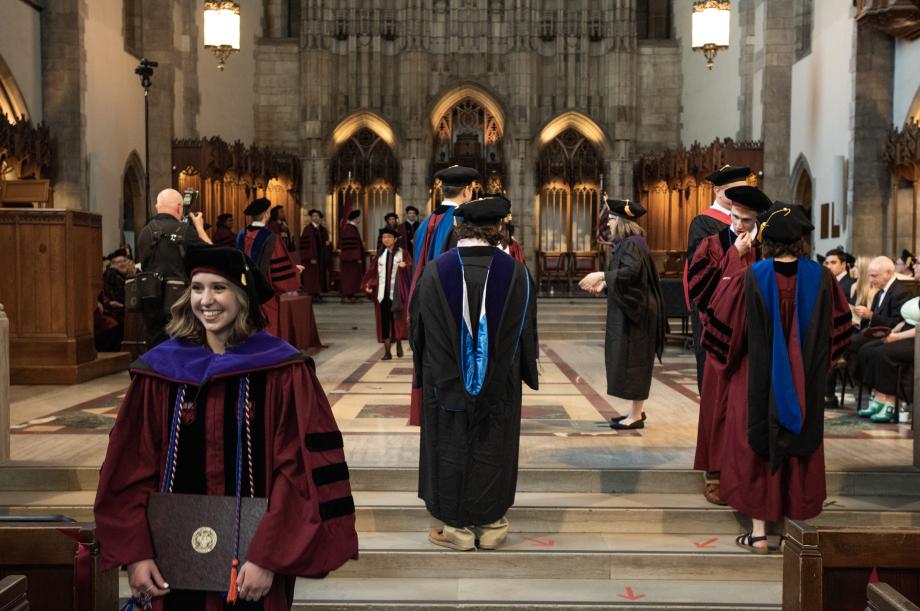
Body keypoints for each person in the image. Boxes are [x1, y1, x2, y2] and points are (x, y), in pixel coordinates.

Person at [93, 246, 358, 609]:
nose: (207, 300)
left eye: (220, 288)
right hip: (169, 563)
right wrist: (136, 554)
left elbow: (298, 471)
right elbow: (129, 469)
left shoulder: (283, 371)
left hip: (254, 567)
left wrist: (268, 556)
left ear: (243, 297)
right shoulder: (159, 372)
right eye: (198, 288)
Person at [702, 203, 851, 553]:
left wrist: (730, 363)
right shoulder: (823, 278)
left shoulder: (751, 276)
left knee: (757, 446)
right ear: (802, 240)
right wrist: (814, 365)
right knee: (799, 446)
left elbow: (723, 331)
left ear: (766, 240)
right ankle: (788, 534)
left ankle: (757, 534)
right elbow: (839, 331)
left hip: (755, 380)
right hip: (805, 383)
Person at [410, 195, 538, 551]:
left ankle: (455, 529)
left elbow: (417, 330)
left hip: (446, 385)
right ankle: (492, 524)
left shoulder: (436, 270)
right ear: (499, 229)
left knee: (449, 445)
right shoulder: (517, 273)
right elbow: (527, 330)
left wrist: (425, 373)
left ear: (457, 227)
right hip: (501, 387)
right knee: (493, 445)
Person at [686, 184, 772, 505]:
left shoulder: (766, 249)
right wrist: (734, 258)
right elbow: (700, 291)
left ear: (758, 222)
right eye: (735, 217)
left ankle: (748, 472)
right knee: (718, 408)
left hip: (756, 345)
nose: (738, 225)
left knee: (748, 410)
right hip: (719, 341)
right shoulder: (711, 244)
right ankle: (715, 473)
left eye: (746, 221)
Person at [578, 198, 666, 430]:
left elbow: (630, 272)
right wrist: (606, 284)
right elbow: (629, 276)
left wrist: (602, 276)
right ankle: (636, 411)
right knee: (632, 361)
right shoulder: (631, 243)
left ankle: (635, 416)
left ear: (622, 221)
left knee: (635, 362)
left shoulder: (632, 244)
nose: (609, 225)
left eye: (612, 220)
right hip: (637, 311)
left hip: (639, 315)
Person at [684, 165, 751, 393]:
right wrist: (736, 251)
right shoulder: (703, 223)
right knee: (713, 369)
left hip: (744, 307)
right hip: (712, 306)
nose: (741, 196)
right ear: (718, 191)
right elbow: (699, 271)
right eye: (735, 192)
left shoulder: (754, 222)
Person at [136, 188, 213, 346]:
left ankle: (155, 370)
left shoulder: (144, 232)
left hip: (150, 300)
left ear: (157, 207)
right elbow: (214, 254)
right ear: (179, 207)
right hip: (179, 303)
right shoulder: (184, 231)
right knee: (180, 346)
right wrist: (199, 227)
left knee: (156, 346)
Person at [236, 197, 303, 336]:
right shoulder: (272, 238)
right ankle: (267, 353)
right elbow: (279, 267)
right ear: (266, 214)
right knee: (267, 322)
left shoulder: (241, 234)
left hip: (243, 288)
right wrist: (295, 270)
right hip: (265, 291)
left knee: (247, 321)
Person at [856, 297, 918, 424]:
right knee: (867, 350)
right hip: (905, 331)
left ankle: (890, 402)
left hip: (916, 339)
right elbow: (907, 320)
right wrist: (892, 332)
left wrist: (897, 337)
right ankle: (878, 398)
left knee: (882, 353)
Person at [412, 165, 479, 270]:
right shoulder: (463, 221)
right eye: (472, 189)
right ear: (466, 190)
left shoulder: (423, 224)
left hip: (424, 285)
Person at [362, 227, 412, 360]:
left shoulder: (403, 253)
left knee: (397, 319)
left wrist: (405, 267)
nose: (386, 239)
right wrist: (369, 284)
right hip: (382, 293)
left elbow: (412, 269)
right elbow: (372, 273)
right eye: (384, 237)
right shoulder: (379, 255)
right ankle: (387, 352)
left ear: (395, 239)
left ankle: (400, 343)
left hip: (398, 293)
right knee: (384, 321)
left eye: (389, 237)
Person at [822, 247, 857, 408]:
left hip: (845, 329)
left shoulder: (850, 284)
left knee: (826, 348)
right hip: (829, 327)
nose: (829, 266)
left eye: (833, 262)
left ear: (844, 264)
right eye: (827, 262)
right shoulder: (825, 280)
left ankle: (828, 395)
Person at [95, 248, 131, 352]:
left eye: (125, 261)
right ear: (112, 264)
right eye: (120, 262)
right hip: (111, 310)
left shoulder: (118, 275)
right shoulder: (112, 274)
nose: (123, 264)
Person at [299, 209, 330, 302]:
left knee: (319, 276)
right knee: (311, 276)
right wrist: (311, 257)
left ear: (320, 218)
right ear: (311, 218)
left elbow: (326, 243)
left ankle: (317, 294)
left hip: (320, 258)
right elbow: (305, 245)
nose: (315, 217)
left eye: (317, 216)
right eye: (313, 216)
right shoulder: (307, 229)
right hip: (311, 259)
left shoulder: (323, 229)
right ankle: (312, 295)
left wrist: (327, 244)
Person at [338, 209, 365, 304]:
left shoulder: (352, 228)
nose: (359, 219)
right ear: (356, 218)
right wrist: (357, 257)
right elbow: (350, 245)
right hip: (350, 259)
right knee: (349, 277)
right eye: (359, 218)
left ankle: (351, 295)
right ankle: (346, 296)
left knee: (352, 277)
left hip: (350, 258)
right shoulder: (350, 229)